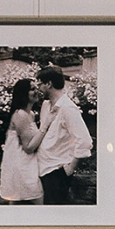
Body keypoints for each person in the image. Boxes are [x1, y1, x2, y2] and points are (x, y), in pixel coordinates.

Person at [36, 65, 93, 205]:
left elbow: (85, 141)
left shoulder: (68, 108)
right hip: (42, 170)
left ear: (49, 84)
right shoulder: (45, 106)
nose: (38, 88)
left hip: (57, 173)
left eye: (40, 84)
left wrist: (69, 169)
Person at [0, 78, 44, 204]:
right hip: (20, 164)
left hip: (28, 163)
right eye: (32, 89)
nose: (37, 91)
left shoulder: (31, 114)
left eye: (36, 88)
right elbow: (28, 148)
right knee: (32, 200)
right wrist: (44, 128)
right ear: (23, 93)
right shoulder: (20, 115)